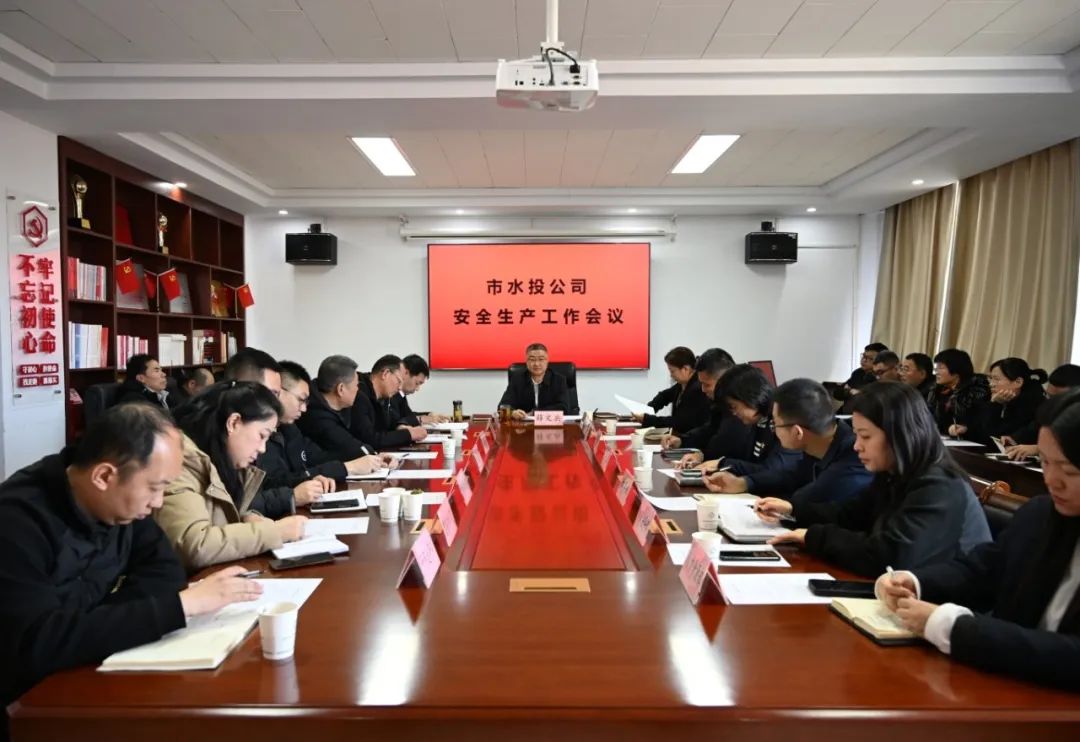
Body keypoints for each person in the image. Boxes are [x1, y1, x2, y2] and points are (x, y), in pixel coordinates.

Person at [0, 405, 263, 724]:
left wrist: (96, 625)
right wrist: (179, 607)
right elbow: (37, 643)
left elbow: (166, 573)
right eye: (154, 487)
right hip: (27, 705)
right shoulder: (16, 522)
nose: (158, 502)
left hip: (89, 674)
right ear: (104, 476)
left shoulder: (124, 506)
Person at [876, 389, 1080, 689]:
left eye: (1070, 471)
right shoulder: (1041, 513)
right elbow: (982, 572)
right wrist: (916, 582)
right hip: (1007, 684)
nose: (1051, 480)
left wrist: (956, 628)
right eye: (1045, 462)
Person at [754, 382, 991, 577]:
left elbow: (888, 556)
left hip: (942, 607)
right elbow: (849, 515)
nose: (856, 446)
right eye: (856, 435)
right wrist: (792, 511)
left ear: (899, 434)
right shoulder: (893, 474)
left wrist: (812, 537)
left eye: (865, 436)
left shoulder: (939, 485)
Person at [154, 381, 307, 573]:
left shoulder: (225, 461)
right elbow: (193, 544)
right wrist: (275, 532)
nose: (263, 449)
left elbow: (217, 517)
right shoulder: (179, 462)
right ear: (233, 423)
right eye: (262, 435)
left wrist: (246, 518)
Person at [705, 378, 873, 507]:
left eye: (775, 424)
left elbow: (806, 499)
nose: (773, 430)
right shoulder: (817, 445)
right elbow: (788, 475)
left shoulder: (855, 456)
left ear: (797, 432)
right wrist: (743, 483)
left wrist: (784, 506)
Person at [256, 361, 395, 511]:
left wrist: (370, 459)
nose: (304, 409)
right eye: (301, 400)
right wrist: (348, 467)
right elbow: (276, 482)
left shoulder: (289, 427)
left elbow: (317, 457)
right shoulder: (262, 436)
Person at [705, 364, 801, 478]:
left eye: (734, 406)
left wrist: (724, 463)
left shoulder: (785, 419)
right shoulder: (759, 420)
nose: (734, 413)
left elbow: (773, 471)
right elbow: (752, 464)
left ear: (750, 397)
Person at [663, 348, 754, 465]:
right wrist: (682, 440)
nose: (703, 389)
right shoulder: (719, 401)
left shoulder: (742, 406)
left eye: (706, 385)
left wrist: (702, 456)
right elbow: (710, 428)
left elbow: (724, 442)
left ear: (724, 380)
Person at [296, 355, 376, 460]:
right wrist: (375, 455)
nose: (358, 389)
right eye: (356, 385)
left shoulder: (344, 404)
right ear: (341, 389)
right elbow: (351, 448)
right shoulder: (316, 415)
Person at [1005, 363, 1080, 458]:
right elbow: (1033, 429)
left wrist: (1038, 449)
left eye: (1060, 398)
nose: (1053, 402)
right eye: (1050, 396)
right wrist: (1014, 438)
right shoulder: (1050, 409)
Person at [352, 355, 427, 449]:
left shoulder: (385, 396)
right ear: (385, 374)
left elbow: (387, 427)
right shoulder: (359, 395)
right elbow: (369, 439)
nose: (400, 388)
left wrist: (399, 427)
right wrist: (408, 434)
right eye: (399, 381)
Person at [631, 346, 711, 435]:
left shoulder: (697, 389)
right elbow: (664, 396)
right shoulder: (682, 383)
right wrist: (647, 410)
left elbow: (679, 422)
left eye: (672, 371)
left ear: (685, 369)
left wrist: (647, 419)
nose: (671, 375)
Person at [975, 357, 1048, 444]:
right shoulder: (989, 396)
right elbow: (979, 432)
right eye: (990, 378)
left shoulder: (1033, 404)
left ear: (1018, 382)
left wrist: (995, 405)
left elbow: (995, 435)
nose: (991, 384)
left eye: (996, 379)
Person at [498, 343, 570, 419]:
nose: (536, 364)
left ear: (547, 360)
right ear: (526, 361)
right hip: (524, 425)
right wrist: (512, 413)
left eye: (541, 359)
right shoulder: (517, 380)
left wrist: (535, 413)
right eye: (532, 359)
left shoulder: (559, 380)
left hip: (550, 424)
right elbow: (502, 406)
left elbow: (564, 408)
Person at [930, 348, 990, 438]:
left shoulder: (977, 390)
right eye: (936, 368)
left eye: (941, 368)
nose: (936, 372)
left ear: (956, 370)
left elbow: (977, 423)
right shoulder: (938, 391)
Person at [391, 354, 449, 426]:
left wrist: (429, 415)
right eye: (417, 383)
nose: (417, 389)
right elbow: (395, 422)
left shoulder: (401, 395)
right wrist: (420, 419)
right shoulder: (390, 394)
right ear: (406, 373)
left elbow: (408, 415)